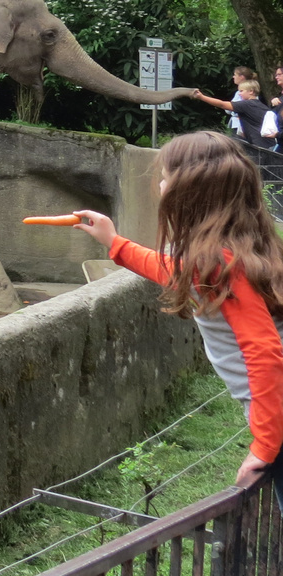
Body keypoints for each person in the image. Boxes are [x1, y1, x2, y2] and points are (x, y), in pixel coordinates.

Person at [74, 131, 283, 489]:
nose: (160, 184)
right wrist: (115, 242)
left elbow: (265, 354)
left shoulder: (222, 266)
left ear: (190, 192)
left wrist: (265, 446)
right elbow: (175, 271)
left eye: (166, 176)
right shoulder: (240, 249)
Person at [194, 81, 271, 154]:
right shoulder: (260, 105)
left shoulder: (246, 104)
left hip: (260, 145)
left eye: (241, 91)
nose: (239, 94)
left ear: (251, 91)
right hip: (267, 143)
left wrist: (201, 97)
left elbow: (222, 104)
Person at [228, 67, 257, 137]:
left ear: (241, 77)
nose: (233, 77)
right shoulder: (238, 93)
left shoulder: (248, 92)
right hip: (236, 125)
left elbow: (234, 108)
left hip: (242, 126)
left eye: (235, 75)